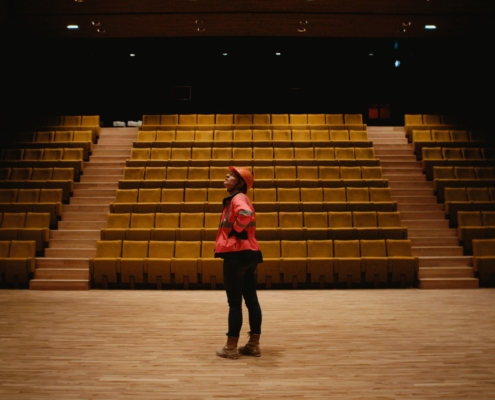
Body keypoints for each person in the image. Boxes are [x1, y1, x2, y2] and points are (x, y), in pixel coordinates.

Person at [214, 166, 263, 360]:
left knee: (235, 303)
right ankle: (253, 345)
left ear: (240, 183)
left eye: (232, 176)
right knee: (251, 300)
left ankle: (231, 348)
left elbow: (244, 214)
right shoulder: (239, 198)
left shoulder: (238, 198)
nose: (227, 176)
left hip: (237, 255)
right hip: (250, 254)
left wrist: (238, 230)